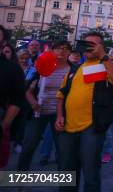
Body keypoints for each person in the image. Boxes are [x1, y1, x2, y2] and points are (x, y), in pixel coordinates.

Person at [55, 31, 113, 192]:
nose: (89, 47)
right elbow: (61, 94)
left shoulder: (109, 64)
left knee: (91, 174)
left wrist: (104, 57)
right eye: (87, 44)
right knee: (66, 175)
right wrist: (59, 115)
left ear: (101, 46)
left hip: (91, 128)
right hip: (67, 128)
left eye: (93, 44)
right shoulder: (75, 68)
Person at [17, 40, 71, 171]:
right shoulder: (43, 67)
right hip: (39, 112)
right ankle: (19, 179)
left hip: (60, 114)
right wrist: (33, 102)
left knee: (63, 150)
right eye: (58, 48)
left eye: (65, 49)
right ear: (52, 51)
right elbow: (28, 91)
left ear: (69, 52)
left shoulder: (73, 70)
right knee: (28, 147)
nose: (62, 51)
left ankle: (64, 183)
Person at [0, 44, 25, 168]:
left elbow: (18, 97)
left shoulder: (14, 70)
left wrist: (5, 124)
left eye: (7, 51)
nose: (5, 53)